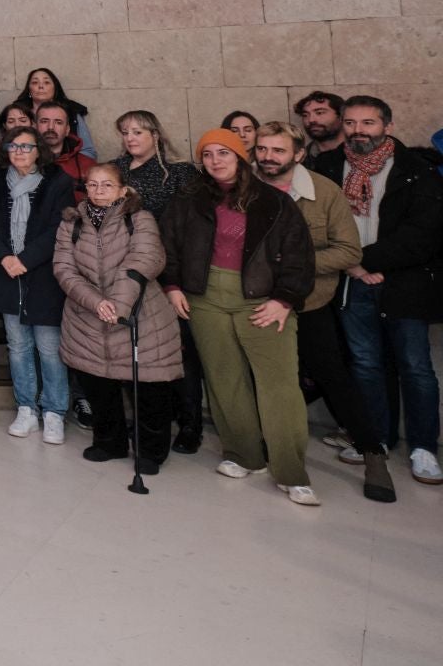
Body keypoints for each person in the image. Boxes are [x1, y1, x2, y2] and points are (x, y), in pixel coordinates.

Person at [163, 129, 318, 504]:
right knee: (224, 379)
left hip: (261, 299)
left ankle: (291, 472)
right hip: (205, 298)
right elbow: (169, 244)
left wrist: (285, 299)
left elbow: (299, 253)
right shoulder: (189, 199)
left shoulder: (272, 201)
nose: (216, 161)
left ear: (240, 156)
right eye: (208, 155)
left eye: (224, 153)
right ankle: (243, 454)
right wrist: (172, 286)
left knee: (278, 385)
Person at [253, 121, 393, 501]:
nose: (268, 157)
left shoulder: (323, 192)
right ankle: (271, 446)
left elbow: (349, 252)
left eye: (278, 150)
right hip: (259, 305)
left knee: (334, 376)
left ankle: (373, 454)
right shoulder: (244, 191)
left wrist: (293, 263)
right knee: (270, 380)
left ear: (298, 154)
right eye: (262, 149)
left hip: (309, 303)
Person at [311, 96, 443, 487]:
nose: (358, 131)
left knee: (416, 367)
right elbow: (315, 223)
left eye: (368, 123)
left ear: (386, 125)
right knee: (365, 364)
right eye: (351, 123)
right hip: (351, 282)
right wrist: (349, 264)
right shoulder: (328, 168)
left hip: (404, 283)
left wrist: (366, 260)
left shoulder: (417, 171)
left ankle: (423, 447)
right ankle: (377, 440)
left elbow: (424, 235)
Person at [54, 162, 182, 473]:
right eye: (92, 185)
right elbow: (64, 269)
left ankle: (151, 451)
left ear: (123, 189)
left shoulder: (139, 219)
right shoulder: (71, 223)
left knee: (150, 389)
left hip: (139, 316)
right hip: (88, 318)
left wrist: (117, 304)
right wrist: (96, 302)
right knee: (98, 386)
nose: (98, 192)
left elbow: (146, 258)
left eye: (107, 185)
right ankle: (109, 442)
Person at [112, 109, 203, 451]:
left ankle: (190, 424)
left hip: (168, 276)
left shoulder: (180, 173)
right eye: (125, 132)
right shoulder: (115, 171)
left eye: (138, 131)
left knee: (178, 354)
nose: (130, 138)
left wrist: (175, 281)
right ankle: (147, 421)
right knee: (131, 353)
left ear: (155, 134)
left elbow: (191, 231)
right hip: (124, 275)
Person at [0, 128, 78, 443]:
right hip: (6, 273)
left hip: (42, 274)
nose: (19, 151)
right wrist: (5, 258)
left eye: (26, 146)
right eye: (14, 145)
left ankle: (54, 411)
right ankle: (26, 408)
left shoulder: (58, 182)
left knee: (49, 347)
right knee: (18, 346)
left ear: (39, 151)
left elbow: (59, 227)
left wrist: (26, 258)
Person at [20, 67, 94, 150]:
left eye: (46, 82)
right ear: (29, 89)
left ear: (55, 88)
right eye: (35, 82)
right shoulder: (18, 113)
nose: (40, 86)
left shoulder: (71, 110)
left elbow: (88, 150)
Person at [33, 100, 94, 196]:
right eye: (44, 121)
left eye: (58, 122)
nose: (50, 127)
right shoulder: (23, 160)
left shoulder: (87, 165)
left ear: (67, 130)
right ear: (35, 127)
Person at [294, 90, 346, 157]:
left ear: (341, 116)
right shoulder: (301, 160)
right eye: (305, 115)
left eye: (319, 113)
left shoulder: (360, 153)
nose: (311, 120)